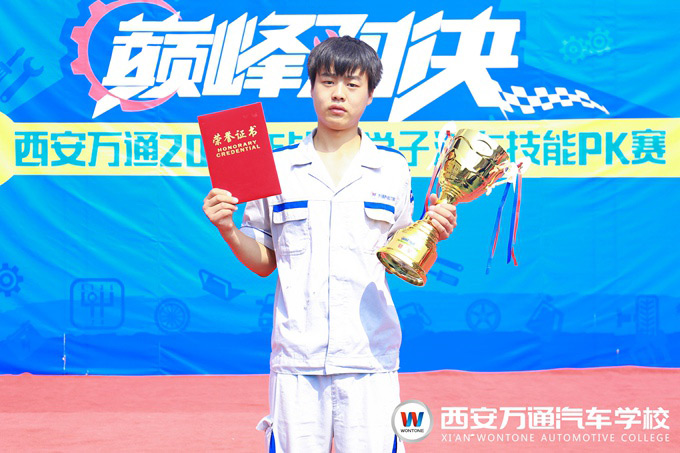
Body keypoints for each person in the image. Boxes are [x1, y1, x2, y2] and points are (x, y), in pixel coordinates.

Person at [203, 36, 457, 453]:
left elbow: (406, 263)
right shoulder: (277, 167)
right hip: (296, 360)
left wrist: (432, 236)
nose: (339, 94)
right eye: (328, 81)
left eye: (352, 84)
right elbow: (265, 262)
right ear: (311, 88)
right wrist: (228, 229)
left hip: (369, 357)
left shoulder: (392, 169)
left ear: (370, 94)